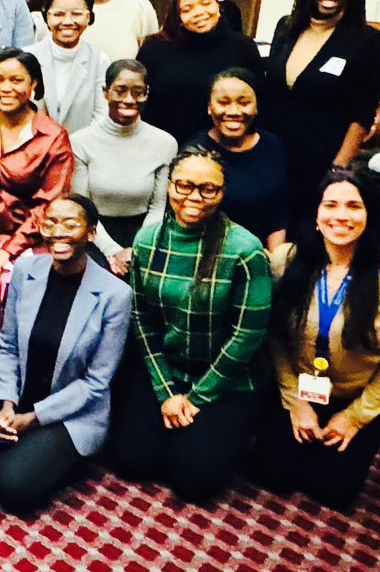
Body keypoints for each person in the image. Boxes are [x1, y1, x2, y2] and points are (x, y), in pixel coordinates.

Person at [0, 194, 131, 513]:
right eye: (51, 222)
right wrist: (7, 404)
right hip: (17, 395)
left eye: (70, 224)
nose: (58, 232)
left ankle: (62, 458)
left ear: (90, 232)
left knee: (13, 488)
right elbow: (8, 345)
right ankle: (26, 451)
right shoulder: (26, 269)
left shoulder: (115, 295)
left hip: (70, 411)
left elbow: (95, 384)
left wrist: (31, 420)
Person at [110, 147, 272, 502]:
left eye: (207, 189)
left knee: (195, 483)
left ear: (222, 193)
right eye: (184, 185)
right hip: (170, 369)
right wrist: (167, 392)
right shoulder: (147, 240)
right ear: (169, 187)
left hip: (226, 380)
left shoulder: (246, 250)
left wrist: (196, 398)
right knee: (131, 461)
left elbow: (246, 337)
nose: (194, 197)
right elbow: (142, 320)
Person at [254, 171, 380, 509]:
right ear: (316, 215)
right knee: (272, 475)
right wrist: (294, 401)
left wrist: (355, 416)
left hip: (358, 395)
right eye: (330, 205)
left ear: (367, 216)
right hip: (299, 387)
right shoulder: (285, 261)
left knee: (334, 491)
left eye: (353, 206)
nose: (341, 216)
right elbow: (274, 337)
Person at [263, 0, 380, 225]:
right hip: (271, 156)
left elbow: (362, 113)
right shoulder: (286, 27)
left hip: (318, 164)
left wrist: (338, 168)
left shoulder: (366, 41)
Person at [0, 50, 75, 320]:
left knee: (9, 286)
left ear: (33, 85)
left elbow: (49, 205)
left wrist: (7, 252)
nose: (5, 88)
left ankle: (10, 360)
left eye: (16, 80)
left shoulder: (52, 137)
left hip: (29, 235)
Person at [70, 60, 176, 273]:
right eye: (120, 91)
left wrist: (138, 249)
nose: (129, 100)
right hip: (93, 233)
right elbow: (82, 208)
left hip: (147, 234)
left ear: (147, 94)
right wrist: (112, 251)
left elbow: (158, 207)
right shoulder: (80, 142)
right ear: (105, 92)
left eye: (138, 92)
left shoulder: (165, 143)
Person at [136, 0, 262, 145]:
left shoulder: (243, 47)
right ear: (178, 16)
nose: (199, 12)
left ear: (218, 5)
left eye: (206, 3)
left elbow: (259, 104)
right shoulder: (154, 48)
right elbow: (141, 104)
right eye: (187, 9)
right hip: (163, 148)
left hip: (224, 151)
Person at [186, 69, 288, 250]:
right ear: (210, 107)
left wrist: (275, 262)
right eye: (223, 102)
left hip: (264, 254)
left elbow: (278, 211)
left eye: (244, 103)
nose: (233, 111)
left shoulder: (272, 145)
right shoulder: (195, 153)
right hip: (212, 254)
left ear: (256, 107)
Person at [25, 0, 109, 133]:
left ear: (88, 17)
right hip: (33, 150)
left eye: (76, 14)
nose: (68, 21)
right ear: (46, 17)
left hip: (80, 151)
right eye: (59, 14)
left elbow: (102, 116)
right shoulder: (26, 58)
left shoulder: (99, 61)